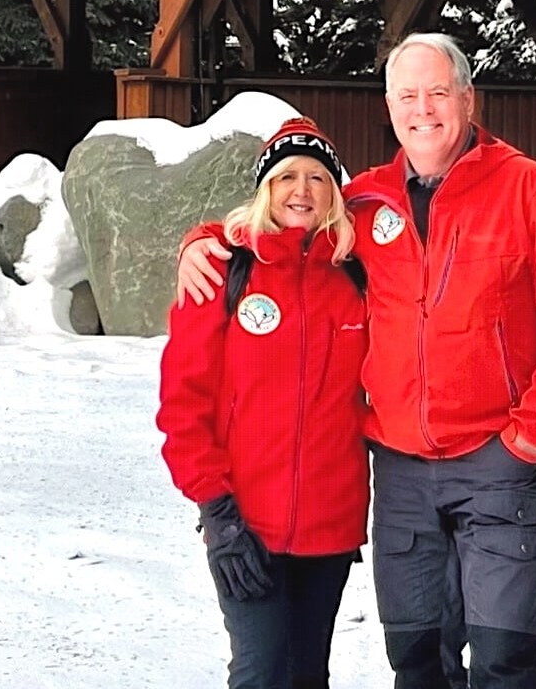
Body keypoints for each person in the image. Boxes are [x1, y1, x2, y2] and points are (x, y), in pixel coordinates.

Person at [180, 33, 536, 689]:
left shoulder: (531, 191)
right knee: (415, 661)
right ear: (388, 107)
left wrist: (528, 434)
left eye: (438, 91)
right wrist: (201, 240)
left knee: (504, 661)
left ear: (467, 98)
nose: (423, 108)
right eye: (407, 94)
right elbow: (287, 218)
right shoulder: (367, 201)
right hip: (403, 473)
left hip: (496, 464)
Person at [158, 117, 370, 689]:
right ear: (265, 189)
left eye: (318, 179)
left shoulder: (357, 277)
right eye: (286, 177)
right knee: (259, 673)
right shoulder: (226, 272)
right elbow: (183, 406)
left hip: (330, 526)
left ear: (334, 194)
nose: (302, 191)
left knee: (306, 676)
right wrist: (217, 512)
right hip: (244, 523)